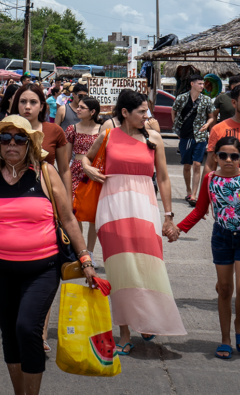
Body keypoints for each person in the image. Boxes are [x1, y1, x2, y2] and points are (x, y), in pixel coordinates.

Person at [0, 115, 97, 395]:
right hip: (0, 269)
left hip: (42, 268)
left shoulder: (44, 172)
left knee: (28, 329)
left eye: (19, 138)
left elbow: (68, 218)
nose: (12, 144)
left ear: (30, 143)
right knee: (10, 335)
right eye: (5, 138)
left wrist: (85, 258)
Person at [81, 91, 186, 355]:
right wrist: (87, 168)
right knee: (120, 270)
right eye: (141, 111)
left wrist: (169, 215)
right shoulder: (108, 134)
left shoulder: (155, 138)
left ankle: (148, 318)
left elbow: (163, 178)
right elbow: (85, 157)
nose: (147, 116)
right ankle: (125, 332)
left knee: (149, 265)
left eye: (147, 111)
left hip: (145, 207)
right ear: (125, 112)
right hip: (112, 208)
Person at [177, 136, 240, 359]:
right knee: (224, 290)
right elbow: (200, 210)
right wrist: (178, 229)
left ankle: (239, 326)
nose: (229, 160)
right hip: (221, 238)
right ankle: (225, 339)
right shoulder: (210, 179)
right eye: (223, 155)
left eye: (234, 155)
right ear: (216, 157)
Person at [11, 84, 72, 199]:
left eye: (33, 102)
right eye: (23, 101)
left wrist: (68, 201)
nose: (27, 107)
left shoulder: (54, 131)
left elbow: (64, 170)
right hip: (12, 194)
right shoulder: (6, 131)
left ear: (41, 106)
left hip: (46, 195)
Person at [63, 96, 102, 252]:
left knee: (94, 214)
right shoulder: (72, 129)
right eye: (77, 106)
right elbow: (65, 158)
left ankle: (90, 252)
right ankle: (81, 250)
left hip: (94, 173)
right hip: (76, 172)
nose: (77, 109)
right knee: (74, 210)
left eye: (82, 107)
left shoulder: (102, 130)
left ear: (92, 112)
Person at [172, 74, 216, 206]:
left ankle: (194, 195)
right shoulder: (181, 98)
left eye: (203, 84)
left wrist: (207, 124)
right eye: (200, 84)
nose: (202, 86)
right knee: (187, 165)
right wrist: (176, 128)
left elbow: (211, 117)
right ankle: (188, 190)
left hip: (200, 136)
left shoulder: (206, 100)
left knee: (197, 164)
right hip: (185, 136)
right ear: (192, 84)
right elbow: (173, 111)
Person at [205, 84, 240, 174]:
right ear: (234, 103)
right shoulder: (219, 129)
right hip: (228, 185)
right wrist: (204, 187)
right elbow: (210, 165)